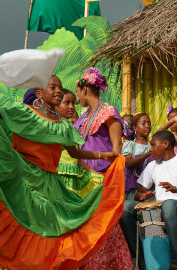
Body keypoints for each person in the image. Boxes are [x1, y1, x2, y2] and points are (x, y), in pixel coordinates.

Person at [0, 71, 126, 269]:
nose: (59, 91)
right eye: (53, 87)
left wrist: (104, 155)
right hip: (22, 177)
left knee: (50, 230)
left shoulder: (63, 126)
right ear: (39, 93)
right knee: (27, 226)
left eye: (60, 88)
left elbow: (75, 153)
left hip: (51, 184)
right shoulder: (24, 112)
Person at [74, 68, 133, 269]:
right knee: (87, 224)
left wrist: (105, 179)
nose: (77, 98)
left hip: (102, 177)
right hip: (83, 177)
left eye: (78, 93)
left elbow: (117, 150)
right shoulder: (82, 117)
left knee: (105, 225)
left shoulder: (108, 111)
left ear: (84, 90)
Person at [135, 130, 177, 269]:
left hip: (172, 205)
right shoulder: (152, 165)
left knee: (169, 206)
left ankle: (175, 257)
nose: (150, 149)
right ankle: (144, 259)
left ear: (165, 144)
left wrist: (175, 189)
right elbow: (138, 194)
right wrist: (143, 196)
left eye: (153, 145)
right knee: (127, 209)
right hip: (159, 207)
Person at [119, 113, 153, 260]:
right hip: (132, 193)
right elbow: (128, 163)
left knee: (151, 223)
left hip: (150, 193)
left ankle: (153, 258)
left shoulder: (154, 145)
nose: (147, 126)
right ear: (134, 127)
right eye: (143, 123)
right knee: (125, 211)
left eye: (149, 123)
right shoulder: (129, 145)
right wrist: (148, 154)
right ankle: (139, 257)